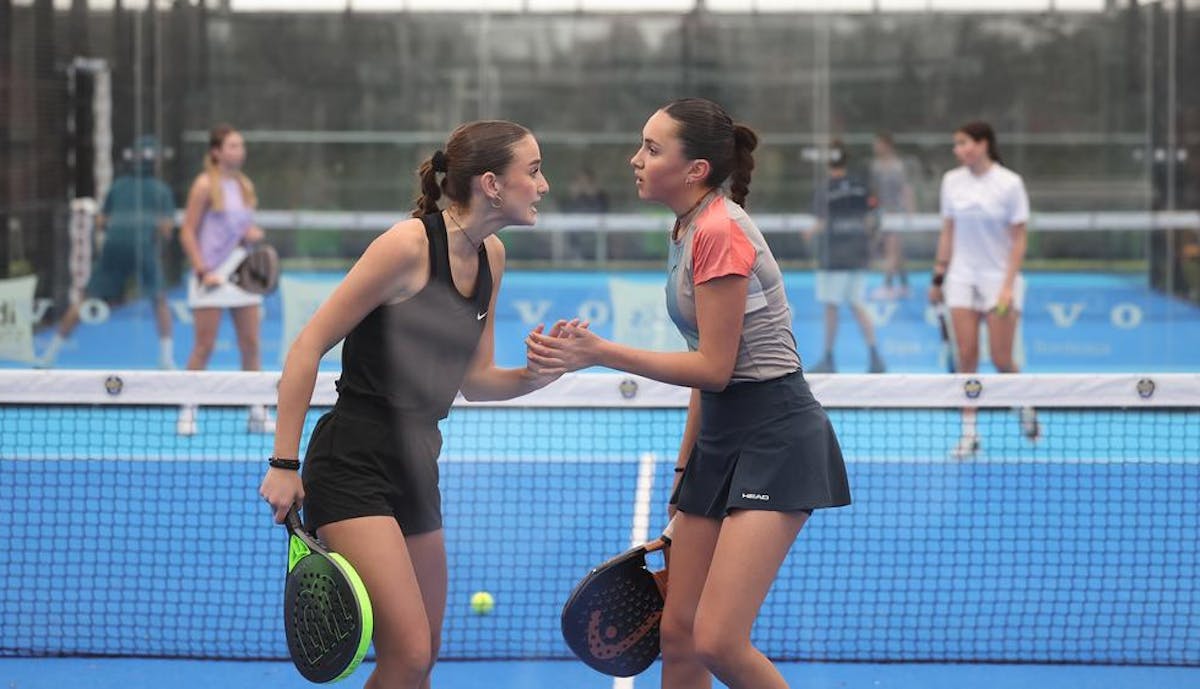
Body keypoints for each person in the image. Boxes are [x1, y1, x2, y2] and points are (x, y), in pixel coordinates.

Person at [527, 98, 850, 689]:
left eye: (652, 149)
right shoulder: (688, 227)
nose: (636, 159)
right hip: (723, 439)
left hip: (777, 437)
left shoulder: (721, 232)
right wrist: (685, 473)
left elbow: (715, 368)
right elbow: (710, 380)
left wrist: (601, 352)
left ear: (695, 169)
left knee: (719, 640)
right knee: (678, 635)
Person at [259, 120, 567, 689]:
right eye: (535, 170)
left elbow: (477, 382)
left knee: (422, 658)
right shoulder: (406, 246)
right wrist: (284, 463)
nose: (544, 185)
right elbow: (306, 349)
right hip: (354, 460)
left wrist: (543, 372)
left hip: (419, 462)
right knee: (406, 655)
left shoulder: (492, 257)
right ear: (492, 184)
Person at [929, 121, 1039, 457]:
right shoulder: (952, 182)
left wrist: (1006, 287)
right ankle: (969, 433)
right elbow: (948, 230)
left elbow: (1019, 238)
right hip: (961, 277)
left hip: (998, 280)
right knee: (967, 358)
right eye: (956, 144)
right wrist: (939, 276)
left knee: (1002, 358)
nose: (958, 150)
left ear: (983, 144)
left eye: (963, 143)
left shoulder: (1010, 184)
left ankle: (1025, 406)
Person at [37, 135, 177, 369]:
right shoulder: (161, 190)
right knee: (159, 300)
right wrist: (151, 230)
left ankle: (49, 356)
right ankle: (167, 359)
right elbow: (166, 229)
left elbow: (101, 222)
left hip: (114, 247)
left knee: (85, 299)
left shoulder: (118, 186)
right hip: (142, 248)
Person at [177, 124, 272, 436]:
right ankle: (188, 411)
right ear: (216, 152)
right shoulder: (204, 185)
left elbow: (241, 229)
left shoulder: (244, 185)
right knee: (204, 345)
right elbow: (188, 231)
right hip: (211, 275)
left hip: (240, 274)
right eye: (232, 146)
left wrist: (251, 235)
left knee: (251, 344)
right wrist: (203, 270)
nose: (239, 151)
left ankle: (257, 411)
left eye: (241, 146)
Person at [805, 141, 886, 374]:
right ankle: (875, 356)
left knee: (831, 307)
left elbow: (820, 223)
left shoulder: (825, 189)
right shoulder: (860, 187)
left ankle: (828, 358)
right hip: (858, 254)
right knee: (858, 304)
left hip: (834, 257)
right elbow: (873, 219)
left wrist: (809, 235)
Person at [869, 132, 915, 299]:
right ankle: (904, 285)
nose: (875, 147)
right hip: (883, 213)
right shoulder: (876, 166)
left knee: (892, 250)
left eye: (878, 144)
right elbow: (875, 192)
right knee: (897, 252)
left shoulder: (898, 166)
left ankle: (888, 286)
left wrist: (910, 212)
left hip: (896, 213)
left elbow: (906, 189)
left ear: (887, 145)